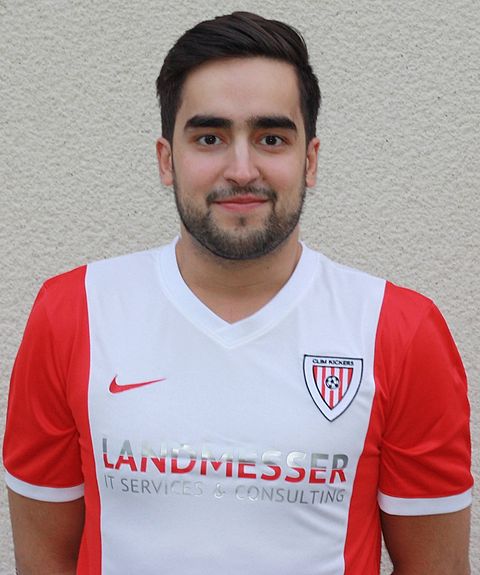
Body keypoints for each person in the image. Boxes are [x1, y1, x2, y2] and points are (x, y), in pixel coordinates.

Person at [3, 11, 473, 575]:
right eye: (210, 138)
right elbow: (43, 560)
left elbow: (437, 566)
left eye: (271, 138)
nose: (242, 169)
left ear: (310, 160)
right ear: (167, 160)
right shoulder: (73, 312)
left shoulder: (398, 330)